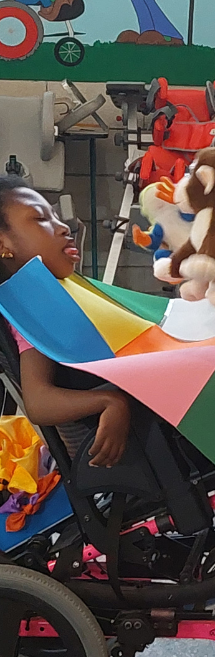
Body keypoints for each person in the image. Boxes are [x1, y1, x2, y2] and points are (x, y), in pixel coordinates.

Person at [0, 178, 129, 467]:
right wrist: (111, 401)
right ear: (2, 244)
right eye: (40, 218)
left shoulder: (56, 295)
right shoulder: (30, 305)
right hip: (141, 445)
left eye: (56, 216)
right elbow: (38, 402)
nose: (63, 228)